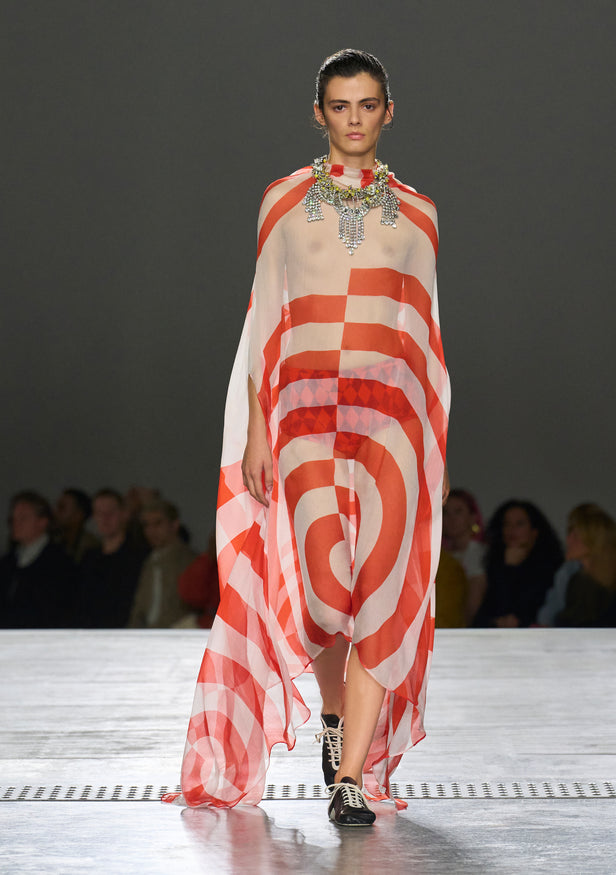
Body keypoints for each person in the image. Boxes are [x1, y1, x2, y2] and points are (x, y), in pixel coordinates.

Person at [167, 49, 450, 826]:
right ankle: (332, 718)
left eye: (367, 104)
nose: (353, 118)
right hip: (301, 420)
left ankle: (351, 776)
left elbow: (425, 339)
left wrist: (433, 452)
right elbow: (266, 319)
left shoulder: (419, 211)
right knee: (327, 597)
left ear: (388, 111)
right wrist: (257, 428)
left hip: (390, 424)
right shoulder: (282, 201)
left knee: (379, 593)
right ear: (319, 113)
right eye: (339, 105)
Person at [475, 500, 563, 628]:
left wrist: (510, 570)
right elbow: (485, 615)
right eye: (507, 524)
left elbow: (529, 611)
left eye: (519, 524)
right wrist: (508, 568)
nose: (512, 530)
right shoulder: (495, 565)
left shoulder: (550, 569)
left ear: (534, 532)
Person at [553, 503, 616, 627]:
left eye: (576, 536)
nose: (568, 540)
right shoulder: (576, 581)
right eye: (569, 534)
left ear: (594, 540)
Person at [0, 491, 76, 627]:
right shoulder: (8, 563)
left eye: (23, 518)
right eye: (13, 519)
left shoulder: (59, 563)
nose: (16, 524)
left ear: (42, 522)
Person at [78, 489, 148, 627]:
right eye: (99, 513)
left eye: (111, 512)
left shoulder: (138, 557)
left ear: (124, 514)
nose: (105, 518)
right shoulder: (89, 558)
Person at [128, 500, 196, 628]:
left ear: (174, 524)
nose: (151, 531)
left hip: (176, 636)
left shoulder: (189, 561)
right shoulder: (149, 562)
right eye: (146, 525)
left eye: (158, 523)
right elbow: (140, 606)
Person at [439, 488, 486, 625]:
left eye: (458, 511)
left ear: (473, 517)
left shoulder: (478, 553)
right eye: (445, 512)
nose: (451, 519)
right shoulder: (441, 555)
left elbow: (473, 603)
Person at [53, 488, 100, 564]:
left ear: (78, 515)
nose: (55, 512)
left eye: (62, 508)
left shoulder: (91, 547)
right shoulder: (53, 540)